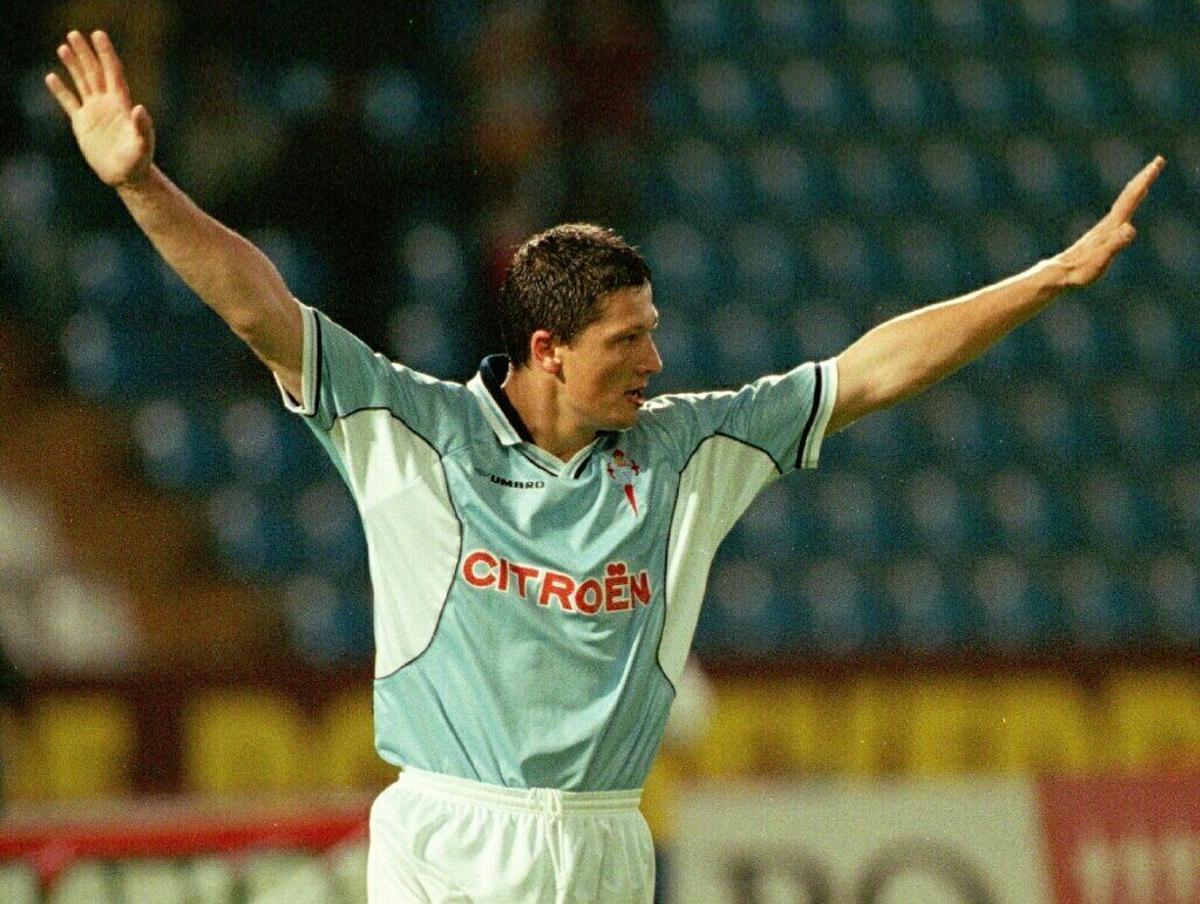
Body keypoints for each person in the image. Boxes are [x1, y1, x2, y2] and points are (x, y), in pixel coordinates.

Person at [46, 29, 1162, 903]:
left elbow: (868, 371)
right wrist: (141, 184)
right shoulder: (411, 428)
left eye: (654, 333)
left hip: (607, 840)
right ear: (548, 349)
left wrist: (1048, 279)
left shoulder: (687, 451)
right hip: (450, 838)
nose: (657, 361)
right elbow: (259, 308)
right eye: (629, 343)